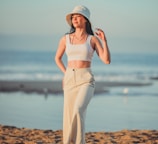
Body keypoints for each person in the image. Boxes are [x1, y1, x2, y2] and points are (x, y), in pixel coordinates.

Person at [55, 5, 111, 144]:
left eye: (78, 16)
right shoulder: (65, 39)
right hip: (69, 79)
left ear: (85, 20)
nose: (74, 19)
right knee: (69, 115)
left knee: (78, 110)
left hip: (86, 79)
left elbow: (106, 60)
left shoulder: (92, 40)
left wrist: (104, 41)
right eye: (73, 17)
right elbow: (57, 58)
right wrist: (66, 73)